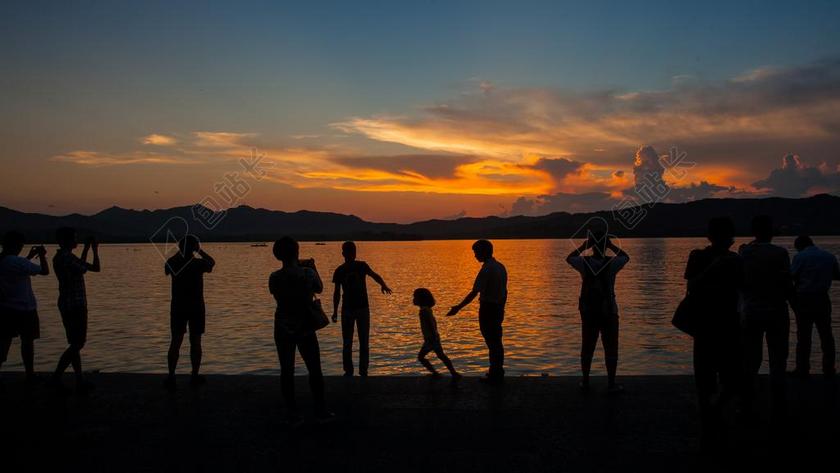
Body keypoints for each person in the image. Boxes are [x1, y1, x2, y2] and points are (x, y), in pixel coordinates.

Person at [683, 217, 744, 451]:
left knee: (729, 378)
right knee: (708, 379)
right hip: (710, 324)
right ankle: (709, 420)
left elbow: (743, 288)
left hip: (724, 323)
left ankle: (712, 414)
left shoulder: (736, 260)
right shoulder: (698, 257)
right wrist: (714, 268)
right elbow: (692, 286)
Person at [270, 236, 333, 425]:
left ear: (278, 255)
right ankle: (320, 410)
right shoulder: (307, 273)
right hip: (305, 325)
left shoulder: (274, 277)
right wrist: (312, 267)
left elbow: (278, 296)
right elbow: (319, 288)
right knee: (314, 368)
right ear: (296, 252)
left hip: (283, 326)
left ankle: (292, 412)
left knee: (286, 370)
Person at [739, 215, 792, 414]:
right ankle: (778, 402)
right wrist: (796, 306)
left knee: (750, 359)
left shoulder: (744, 252)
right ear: (771, 232)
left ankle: (747, 402)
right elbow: (787, 284)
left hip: (751, 311)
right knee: (778, 359)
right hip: (777, 311)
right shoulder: (780, 253)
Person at [566, 232, 630, 393]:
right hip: (609, 311)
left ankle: (586, 381)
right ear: (606, 246)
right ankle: (611, 383)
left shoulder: (583, 263)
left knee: (587, 347)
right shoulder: (613, 263)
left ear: (592, 246)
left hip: (589, 312)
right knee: (611, 348)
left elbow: (569, 258)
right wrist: (611, 246)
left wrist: (583, 246)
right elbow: (626, 257)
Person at [447, 240, 508, 384]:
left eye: (476, 252)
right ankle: (497, 372)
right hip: (498, 307)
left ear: (484, 252)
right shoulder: (500, 267)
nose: (475, 255)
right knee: (496, 342)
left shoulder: (487, 269)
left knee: (492, 342)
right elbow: (504, 291)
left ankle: (495, 375)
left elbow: (474, 292)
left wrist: (458, 307)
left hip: (488, 309)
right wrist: (501, 307)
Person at [332, 241, 392, 377]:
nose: (350, 254)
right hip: (352, 309)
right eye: (350, 252)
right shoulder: (342, 270)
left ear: (344, 253)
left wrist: (383, 284)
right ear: (346, 253)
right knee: (356, 342)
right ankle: (355, 371)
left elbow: (374, 275)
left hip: (357, 309)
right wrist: (335, 311)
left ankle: (357, 371)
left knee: (354, 342)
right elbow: (337, 293)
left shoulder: (356, 267)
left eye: (350, 252)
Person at [51, 227, 99, 393]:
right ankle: (56, 377)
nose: (76, 241)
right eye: (74, 238)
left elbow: (82, 267)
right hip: (74, 304)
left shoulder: (64, 257)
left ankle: (79, 380)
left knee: (74, 343)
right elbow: (93, 267)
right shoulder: (65, 258)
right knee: (78, 344)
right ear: (66, 241)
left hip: (68, 303)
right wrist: (94, 250)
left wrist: (86, 249)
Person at [163, 235, 214, 389]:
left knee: (176, 341)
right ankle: (194, 375)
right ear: (194, 248)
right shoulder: (198, 264)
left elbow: (166, 268)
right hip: (196, 306)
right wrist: (200, 251)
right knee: (195, 341)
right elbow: (212, 262)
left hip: (178, 306)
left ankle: (171, 375)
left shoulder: (173, 262)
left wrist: (180, 252)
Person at [0, 231, 49, 386]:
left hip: (6, 308)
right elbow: (44, 271)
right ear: (16, 245)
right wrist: (42, 256)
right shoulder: (18, 262)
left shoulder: (4, 261)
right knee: (27, 342)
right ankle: (30, 375)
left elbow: (18, 269)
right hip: (25, 308)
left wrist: (28, 257)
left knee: (3, 342)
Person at [790, 235, 839, 378]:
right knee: (826, 334)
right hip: (822, 298)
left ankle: (802, 368)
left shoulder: (800, 257)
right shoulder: (829, 256)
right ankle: (829, 368)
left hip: (804, 298)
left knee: (803, 335)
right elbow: (837, 275)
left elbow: (792, 275)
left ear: (799, 246)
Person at [413, 288, 460, 380]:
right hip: (432, 338)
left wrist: (433, 336)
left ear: (421, 299)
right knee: (441, 356)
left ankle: (436, 373)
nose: (413, 299)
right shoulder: (426, 309)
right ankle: (453, 373)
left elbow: (431, 323)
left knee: (421, 357)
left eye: (415, 297)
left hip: (431, 339)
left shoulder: (424, 311)